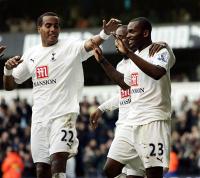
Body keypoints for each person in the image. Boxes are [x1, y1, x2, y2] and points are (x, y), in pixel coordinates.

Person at [3, 12, 120, 178]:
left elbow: (90, 44)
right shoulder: (31, 54)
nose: (53, 29)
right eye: (48, 26)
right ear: (39, 29)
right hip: (39, 119)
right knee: (42, 170)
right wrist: (7, 70)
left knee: (58, 165)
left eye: (56, 26)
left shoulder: (70, 46)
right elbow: (10, 85)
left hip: (63, 115)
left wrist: (105, 33)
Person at [92, 17, 176, 178]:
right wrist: (102, 60)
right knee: (110, 170)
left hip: (153, 121)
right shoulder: (132, 58)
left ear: (145, 33)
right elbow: (125, 85)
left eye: (132, 31)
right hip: (132, 122)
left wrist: (129, 53)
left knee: (153, 173)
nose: (127, 36)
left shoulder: (160, 50)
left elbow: (157, 73)